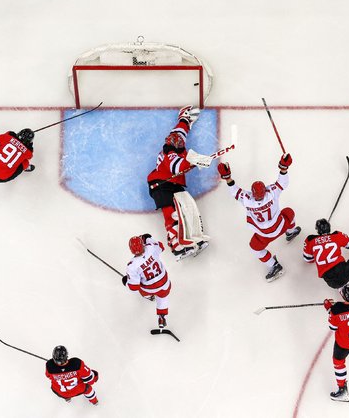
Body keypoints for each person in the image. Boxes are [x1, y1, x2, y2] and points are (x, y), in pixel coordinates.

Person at [216, 154, 301, 282]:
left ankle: (274, 265)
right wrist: (284, 167)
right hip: (279, 226)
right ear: (264, 191)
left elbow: (234, 191)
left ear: (253, 193)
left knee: (255, 247)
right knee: (289, 212)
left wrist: (227, 177)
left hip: (264, 234)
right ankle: (290, 232)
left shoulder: (247, 200)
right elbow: (283, 182)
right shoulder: (272, 193)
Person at [147, 105, 213, 260]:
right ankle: (177, 248)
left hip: (174, 184)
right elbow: (179, 167)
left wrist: (185, 118)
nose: (182, 145)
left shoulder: (175, 138)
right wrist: (195, 161)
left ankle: (194, 238)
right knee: (173, 216)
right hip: (160, 184)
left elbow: (181, 130)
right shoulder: (169, 153)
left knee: (187, 210)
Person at [123, 234, 171, 328]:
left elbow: (134, 287)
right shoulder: (151, 248)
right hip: (164, 283)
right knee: (162, 297)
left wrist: (126, 282)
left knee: (142, 287)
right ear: (143, 244)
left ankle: (149, 296)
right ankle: (162, 317)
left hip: (149, 289)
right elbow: (161, 246)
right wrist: (147, 238)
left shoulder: (132, 265)